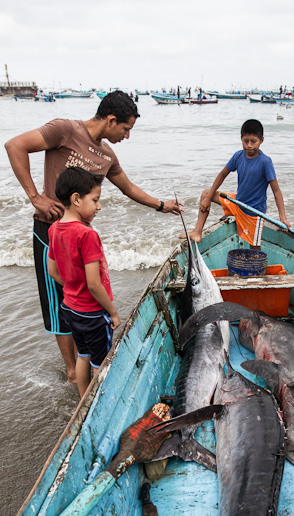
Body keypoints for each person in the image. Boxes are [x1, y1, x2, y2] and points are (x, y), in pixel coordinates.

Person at [4, 90, 182, 384]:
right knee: (56, 302)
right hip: (51, 230)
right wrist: (35, 196)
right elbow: (14, 146)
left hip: (81, 235)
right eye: (125, 129)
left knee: (79, 298)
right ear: (111, 120)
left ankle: (81, 361)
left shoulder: (108, 155)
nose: (127, 136)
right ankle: (73, 372)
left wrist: (162, 206)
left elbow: (128, 187)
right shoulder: (65, 129)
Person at [48, 167, 119, 399]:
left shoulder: (54, 229)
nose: (99, 206)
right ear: (76, 199)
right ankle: (99, 404)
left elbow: (52, 271)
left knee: (83, 356)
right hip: (93, 313)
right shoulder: (87, 235)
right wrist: (113, 312)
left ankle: (83, 400)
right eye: (95, 200)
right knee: (101, 362)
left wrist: (72, 287)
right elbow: (94, 284)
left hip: (70, 308)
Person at [184, 119, 290, 247]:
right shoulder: (238, 156)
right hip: (237, 203)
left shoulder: (265, 162)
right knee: (206, 194)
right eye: (246, 141)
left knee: (254, 249)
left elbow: (276, 191)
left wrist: (282, 217)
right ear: (241, 139)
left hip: (253, 213)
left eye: (253, 141)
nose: (249, 145)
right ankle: (197, 232)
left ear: (261, 140)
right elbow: (222, 175)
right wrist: (207, 199)